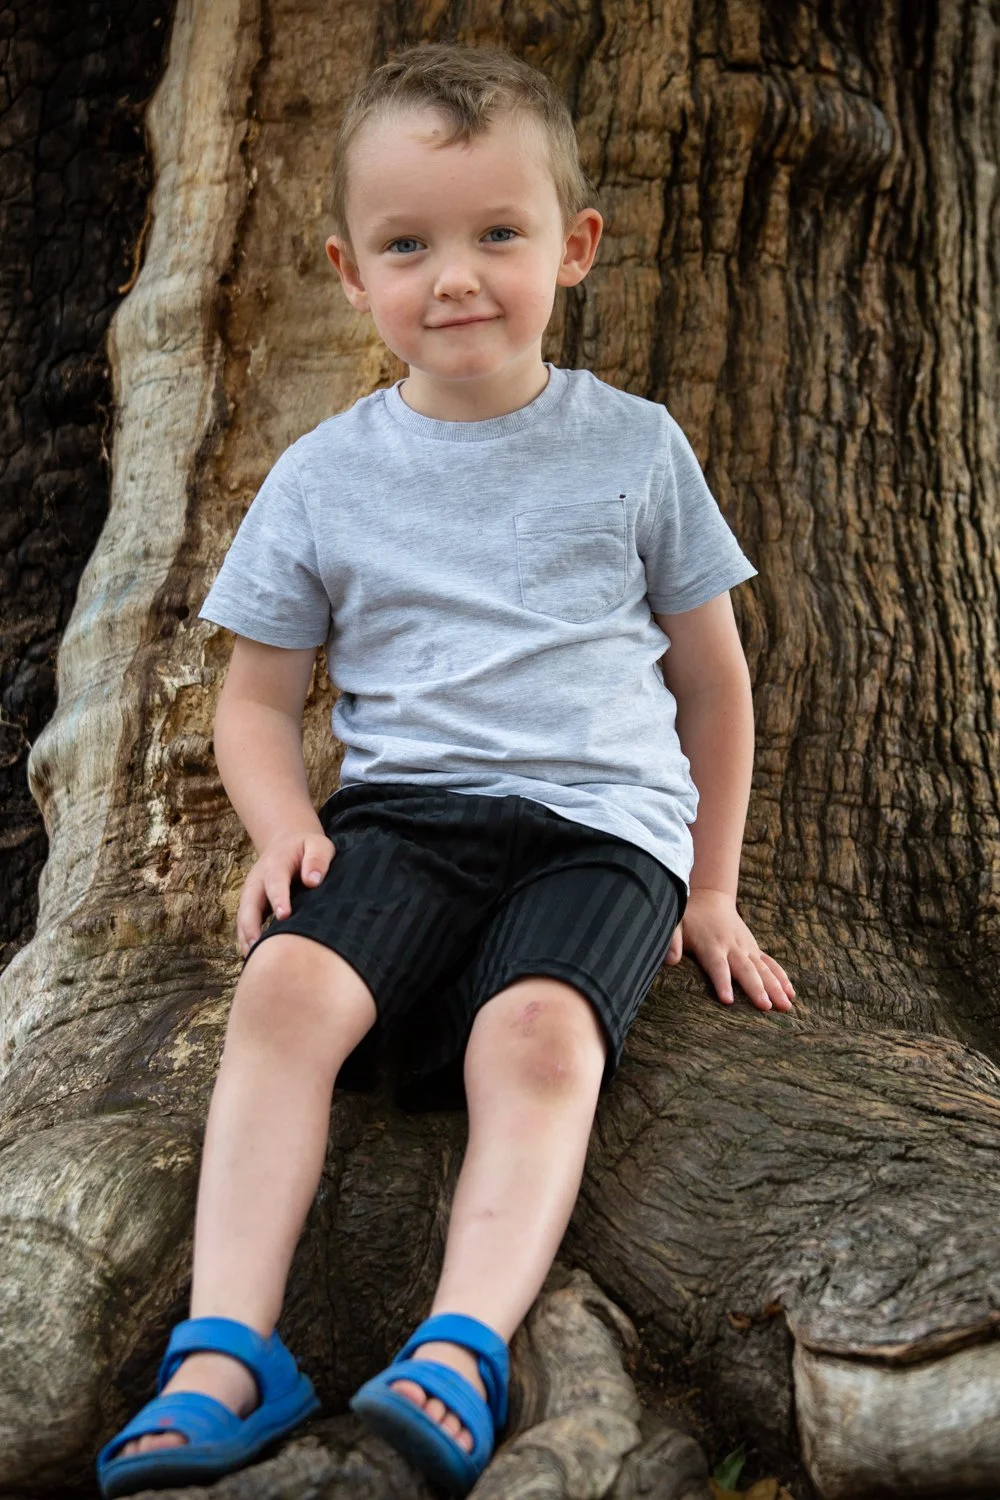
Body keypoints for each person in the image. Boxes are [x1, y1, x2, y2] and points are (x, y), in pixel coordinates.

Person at [96, 38, 794, 1500]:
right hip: (404, 820)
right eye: (411, 244)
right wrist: (280, 825)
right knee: (285, 991)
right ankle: (227, 1354)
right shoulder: (325, 474)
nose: (457, 276)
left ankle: (460, 1347)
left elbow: (714, 682)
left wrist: (714, 889)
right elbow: (258, 698)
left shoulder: (636, 449)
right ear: (353, 274)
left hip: (601, 830)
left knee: (537, 1039)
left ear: (574, 248)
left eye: (498, 235)